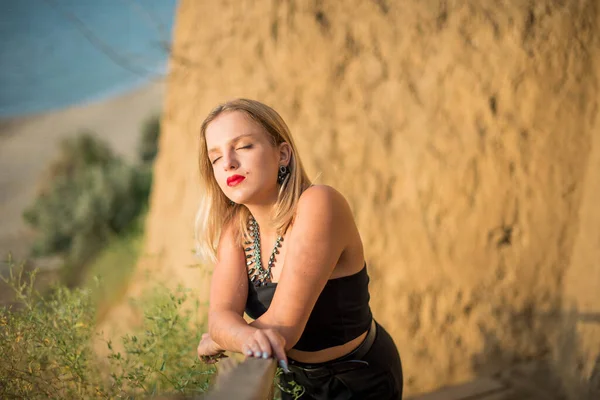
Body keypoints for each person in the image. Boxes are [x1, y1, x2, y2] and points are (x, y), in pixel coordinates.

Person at [195, 98, 403, 399]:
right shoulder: (236, 229)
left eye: (243, 146)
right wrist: (223, 331)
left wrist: (223, 338)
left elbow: (283, 328)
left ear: (282, 154)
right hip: (293, 383)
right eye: (215, 158)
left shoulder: (319, 204)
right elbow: (220, 316)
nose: (228, 162)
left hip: (356, 380)